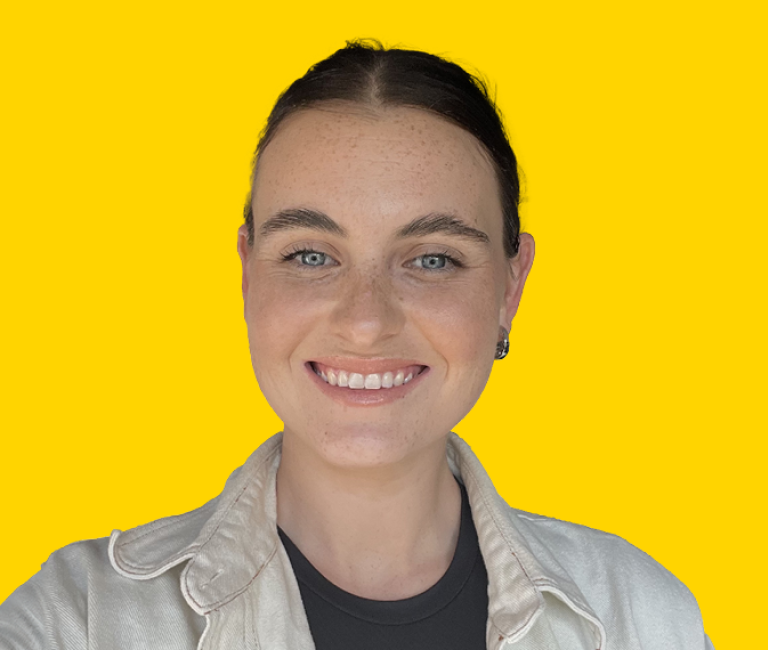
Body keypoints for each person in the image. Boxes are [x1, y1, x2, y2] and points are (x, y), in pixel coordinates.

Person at [0, 40, 713, 650]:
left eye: (432, 259)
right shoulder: (76, 620)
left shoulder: (642, 618)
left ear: (510, 287)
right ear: (249, 275)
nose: (366, 321)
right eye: (311, 255)